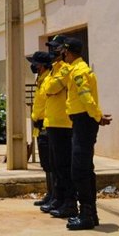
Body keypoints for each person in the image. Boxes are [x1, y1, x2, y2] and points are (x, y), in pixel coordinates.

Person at [59, 37, 112, 230]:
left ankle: (87, 215)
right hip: (83, 121)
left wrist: (97, 116)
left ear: (67, 51)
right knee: (85, 168)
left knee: (79, 170)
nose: (62, 54)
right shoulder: (77, 69)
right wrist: (96, 116)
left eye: (63, 51)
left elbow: (85, 97)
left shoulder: (79, 71)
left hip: (84, 121)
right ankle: (91, 214)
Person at [39, 35, 77, 218]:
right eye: (52, 48)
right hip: (52, 122)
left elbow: (51, 88)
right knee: (55, 166)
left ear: (64, 50)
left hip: (63, 123)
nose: (53, 51)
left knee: (64, 166)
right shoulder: (54, 69)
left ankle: (69, 203)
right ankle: (59, 198)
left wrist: (52, 88)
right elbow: (46, 89)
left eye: (57, 48)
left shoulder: (66, 69)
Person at [27, 50, 54, 206]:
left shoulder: (49, 80)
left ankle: (55, 196)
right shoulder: (41, 80)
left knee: (51, 163)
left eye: (35, 64)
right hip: (40, 125)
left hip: (47, 125)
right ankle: (50, 194)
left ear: (42, 65)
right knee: (45, 163)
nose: (33, 66)